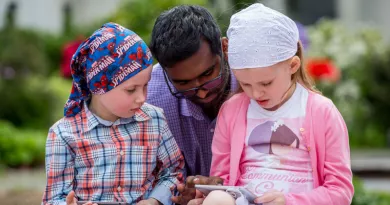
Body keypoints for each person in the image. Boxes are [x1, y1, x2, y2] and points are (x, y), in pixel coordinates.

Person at [201, 4, 354, 205]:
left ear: (292, 66)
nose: (255, 93)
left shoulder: (321, 111)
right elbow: (221, 180)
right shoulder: (232, 110)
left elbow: (340, 191)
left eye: (266, 83)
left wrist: (290, 201)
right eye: (245, 84)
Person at [42, 22, 184, 205]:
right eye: (131, 89)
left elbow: (174, 172)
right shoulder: (63, 135)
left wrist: (154, 201)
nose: (141, 98)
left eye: (145, 85)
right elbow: (54, 198)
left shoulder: (154, 120)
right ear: (98, 86)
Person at [147, 5, 238, 204]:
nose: (202, 92)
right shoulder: (147, 98)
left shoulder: (256, 82)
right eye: (183, 83)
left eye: (207, 74)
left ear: (224, 48)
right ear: (164, 72)